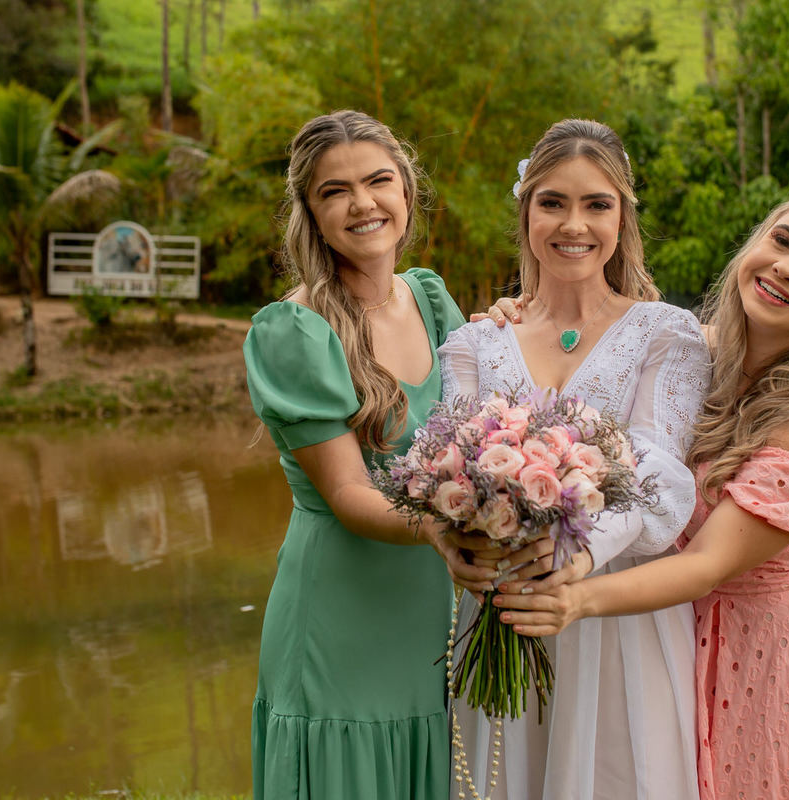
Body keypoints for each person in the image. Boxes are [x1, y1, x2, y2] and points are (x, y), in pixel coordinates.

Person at [495, 187, 789, 800]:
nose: (786, 269)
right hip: (674, 639)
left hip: (776, 661)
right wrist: (520, 324)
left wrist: (573, 600)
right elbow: (589, 345)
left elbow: (706, 563)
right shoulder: (688, 350)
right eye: (782, 241)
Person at [436, 119, 711, 800]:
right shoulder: (474, 343)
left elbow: (656, 472)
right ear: (525, 209)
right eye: (552, 201)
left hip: (616, 614)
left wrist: (577, 565)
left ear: (623, 214)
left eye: (597, 204)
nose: (574, 224)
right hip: (504, 610)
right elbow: (447, 468)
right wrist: (454, 540)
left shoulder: (666, 334)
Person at [243, 110, 472, 800]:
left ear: (407, 189)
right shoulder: (296, 329)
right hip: (339, 607)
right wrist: (443, 526)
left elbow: (486, 423)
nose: (363, 203)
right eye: (335, 191)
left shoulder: (430, 300)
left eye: (378, 181)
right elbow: (347, 494)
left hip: (428, 606)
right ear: (310, 213)